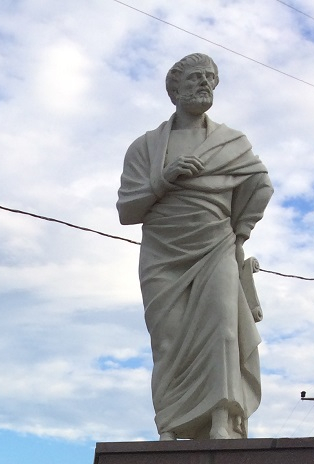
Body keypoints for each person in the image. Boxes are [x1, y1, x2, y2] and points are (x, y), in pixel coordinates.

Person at [117, 53, 273, 441]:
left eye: (211, 78)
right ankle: (170, 426)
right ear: (174, 89)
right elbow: (126, 211)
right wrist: (163, 180)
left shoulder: (231, 142)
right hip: (163, 253)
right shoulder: (146, 148)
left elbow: (261, 185)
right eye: (195, 77)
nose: (205, 83)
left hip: (215, 245)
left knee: (222, 330)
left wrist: (240, 233)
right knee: (167, 340)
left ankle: (221, 419)